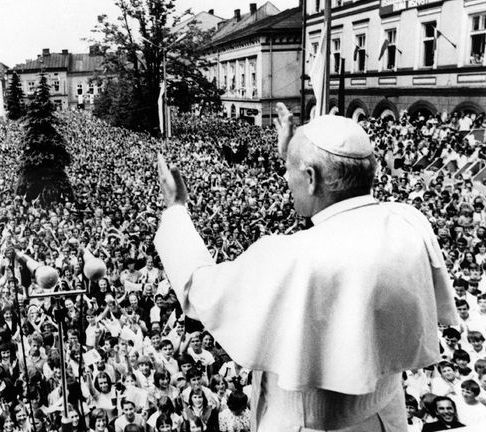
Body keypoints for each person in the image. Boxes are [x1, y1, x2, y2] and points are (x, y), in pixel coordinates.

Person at [154, 104, 458, 431]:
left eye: (290, 170)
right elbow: (337, 225)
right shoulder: (410, 223)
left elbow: (198, 290)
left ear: (311, 178)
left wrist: (176, 211)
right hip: (386, 417)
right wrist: (295, 153)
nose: (285, 178)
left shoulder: (286, 257)